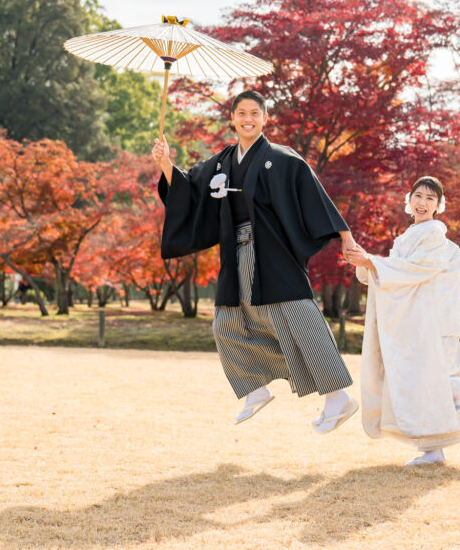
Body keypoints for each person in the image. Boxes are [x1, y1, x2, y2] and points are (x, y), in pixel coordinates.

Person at [153, 90, 358, 433]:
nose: (248, 119)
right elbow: (189, 188)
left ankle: (338, 397)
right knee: (225, 323)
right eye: (241, 113)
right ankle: (255, 387)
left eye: (254, 113)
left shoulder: (282, 158)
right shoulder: (221, 162)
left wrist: (345, 236)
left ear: (265, 118)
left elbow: (315, 197)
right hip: (236, 252)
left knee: (298, 318)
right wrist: (165, 163)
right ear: (232, 118)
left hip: (274, 252)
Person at [343, 176, 460, 465]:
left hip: (434, 326)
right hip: (418, 325)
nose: (423, 203)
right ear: (409, 200)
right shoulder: (411, 234)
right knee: (422, 387)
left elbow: (414, 270)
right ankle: (433, 449)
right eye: (418, 196)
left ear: (439, 205)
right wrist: (366, 264)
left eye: (430, 198)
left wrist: (372, 262)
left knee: (447, 385)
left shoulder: (434, 235)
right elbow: (399, 274)